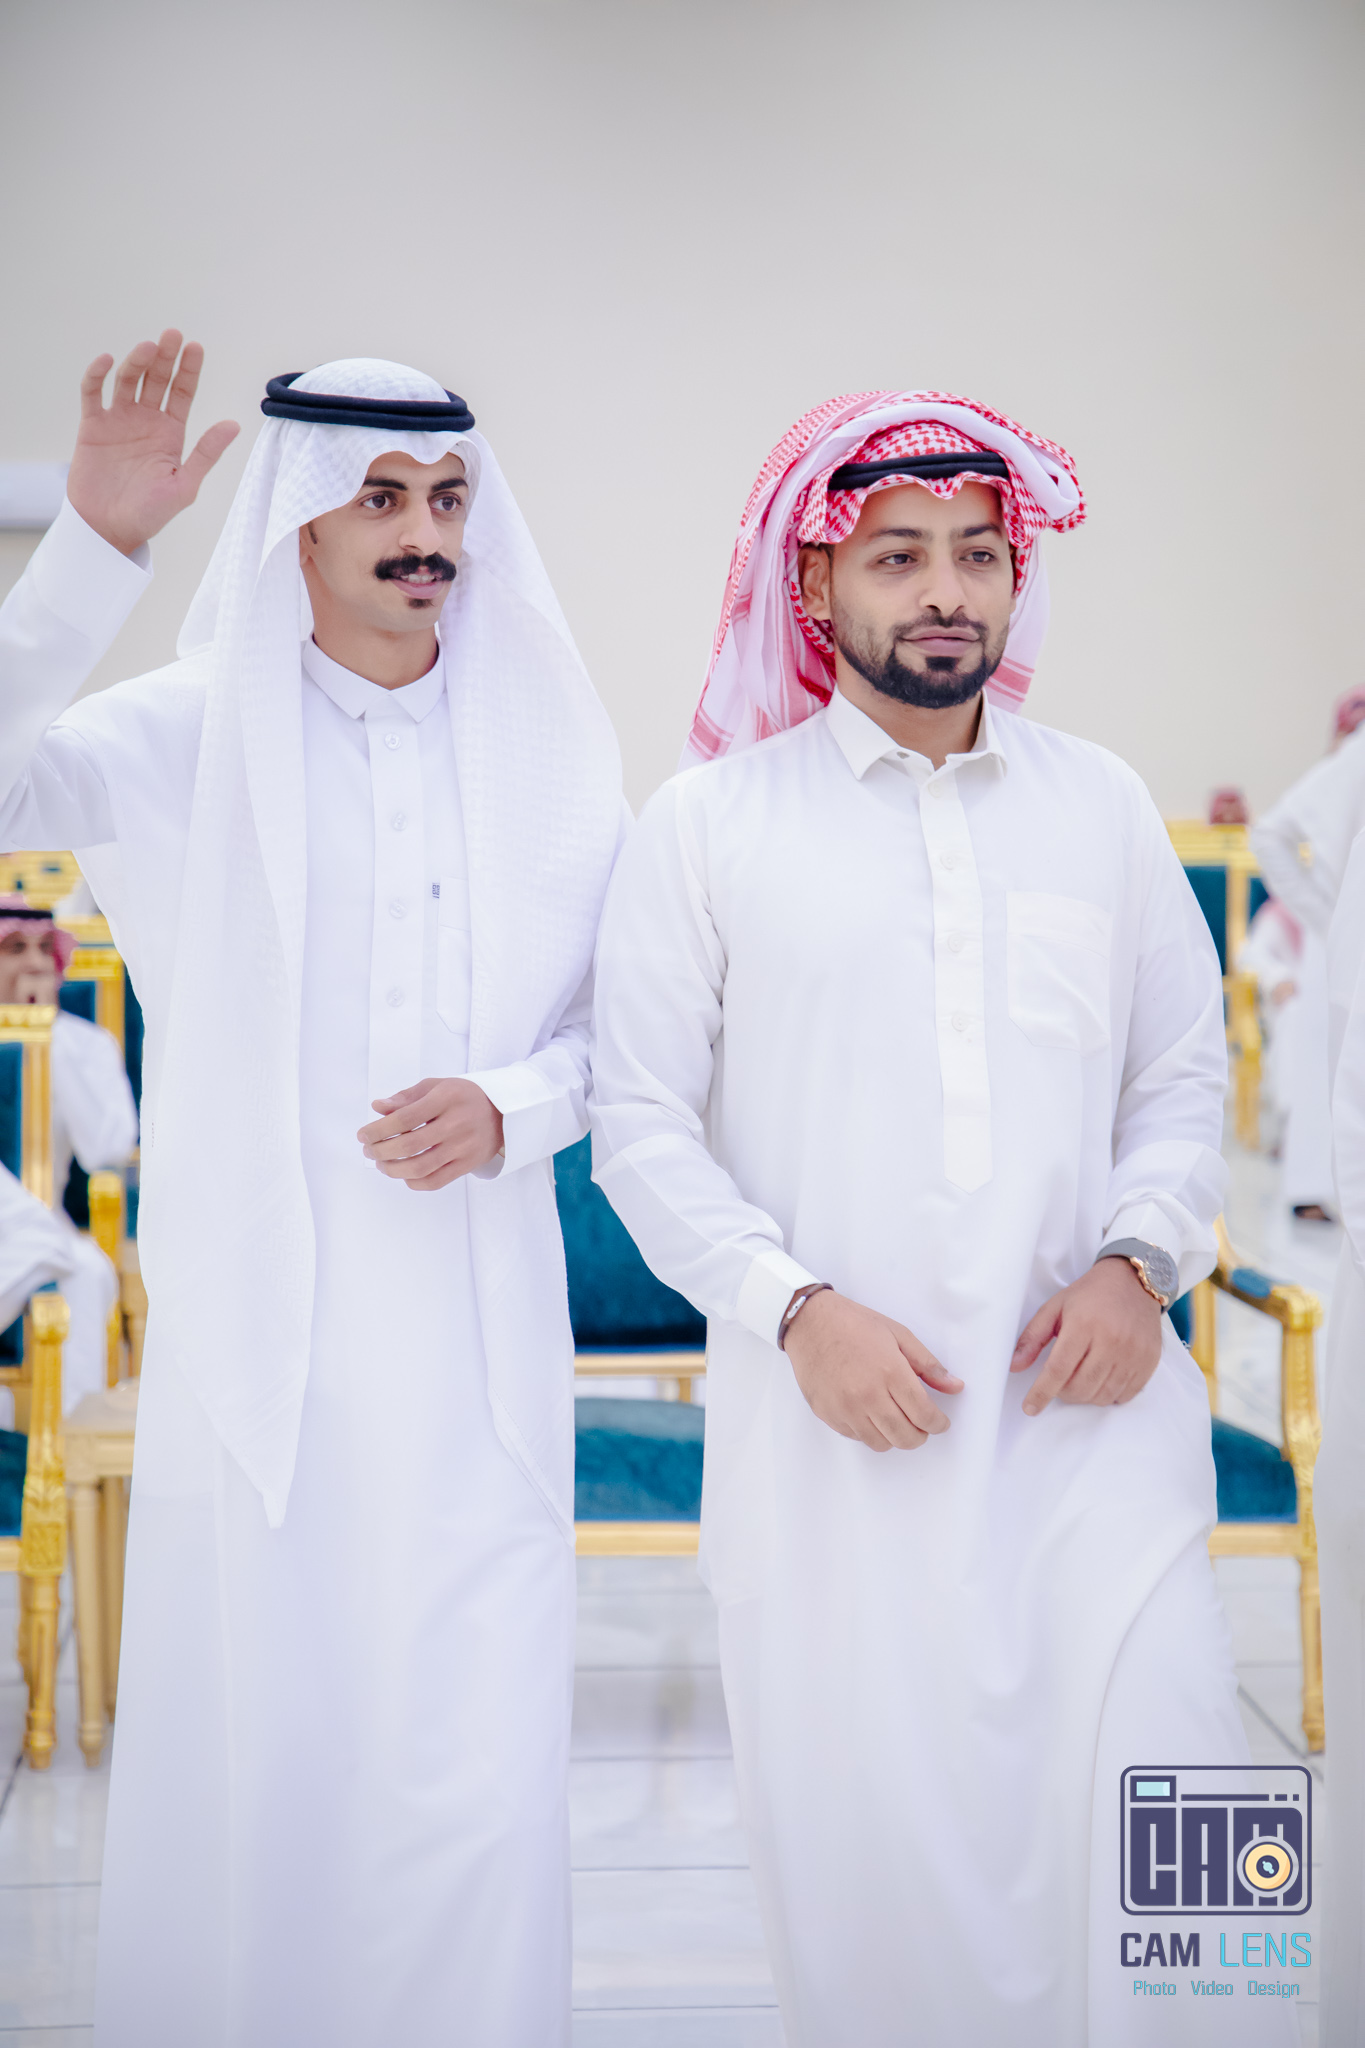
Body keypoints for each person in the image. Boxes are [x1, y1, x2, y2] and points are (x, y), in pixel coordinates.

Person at [589, 392, 1292, 2045]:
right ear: (815, 584)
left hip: (1093, 1428)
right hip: (838, 1456)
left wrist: (1138, 1265)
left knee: (1196, 1812)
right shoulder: (710, 827)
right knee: (878, 1883)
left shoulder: (1100, 805)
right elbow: (638, 1125)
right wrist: (795, 1308)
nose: (945, 591)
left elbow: (1182, 1080)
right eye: (898, 557)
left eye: (978, 554)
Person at [0, 339, 621, 2045]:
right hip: (265, 1358)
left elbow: (620, 1036)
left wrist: (511, 1106)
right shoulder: (188, 730)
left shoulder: (548, 746)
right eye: (381, 498)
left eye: (448, 499)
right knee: (268, 1760)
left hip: (480, 1353)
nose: (424, 534)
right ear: (297, 521)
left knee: (477, 1767)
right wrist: (93, 551)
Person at [0, 896, 136, 1412]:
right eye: (16, 949)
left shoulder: (87, 1044)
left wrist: (44, 1035)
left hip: (41, 1226)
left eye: (43, 949)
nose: (35, 963)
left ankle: (63, 1445)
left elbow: (107, 1148)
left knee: (87, 1274)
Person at [1250, 689, 1365, 1222]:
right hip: (1342, 953)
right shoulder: (1354, 758)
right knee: (1330, 1068)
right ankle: (1316, 1191)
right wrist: (1328, 918)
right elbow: (1269, 836)